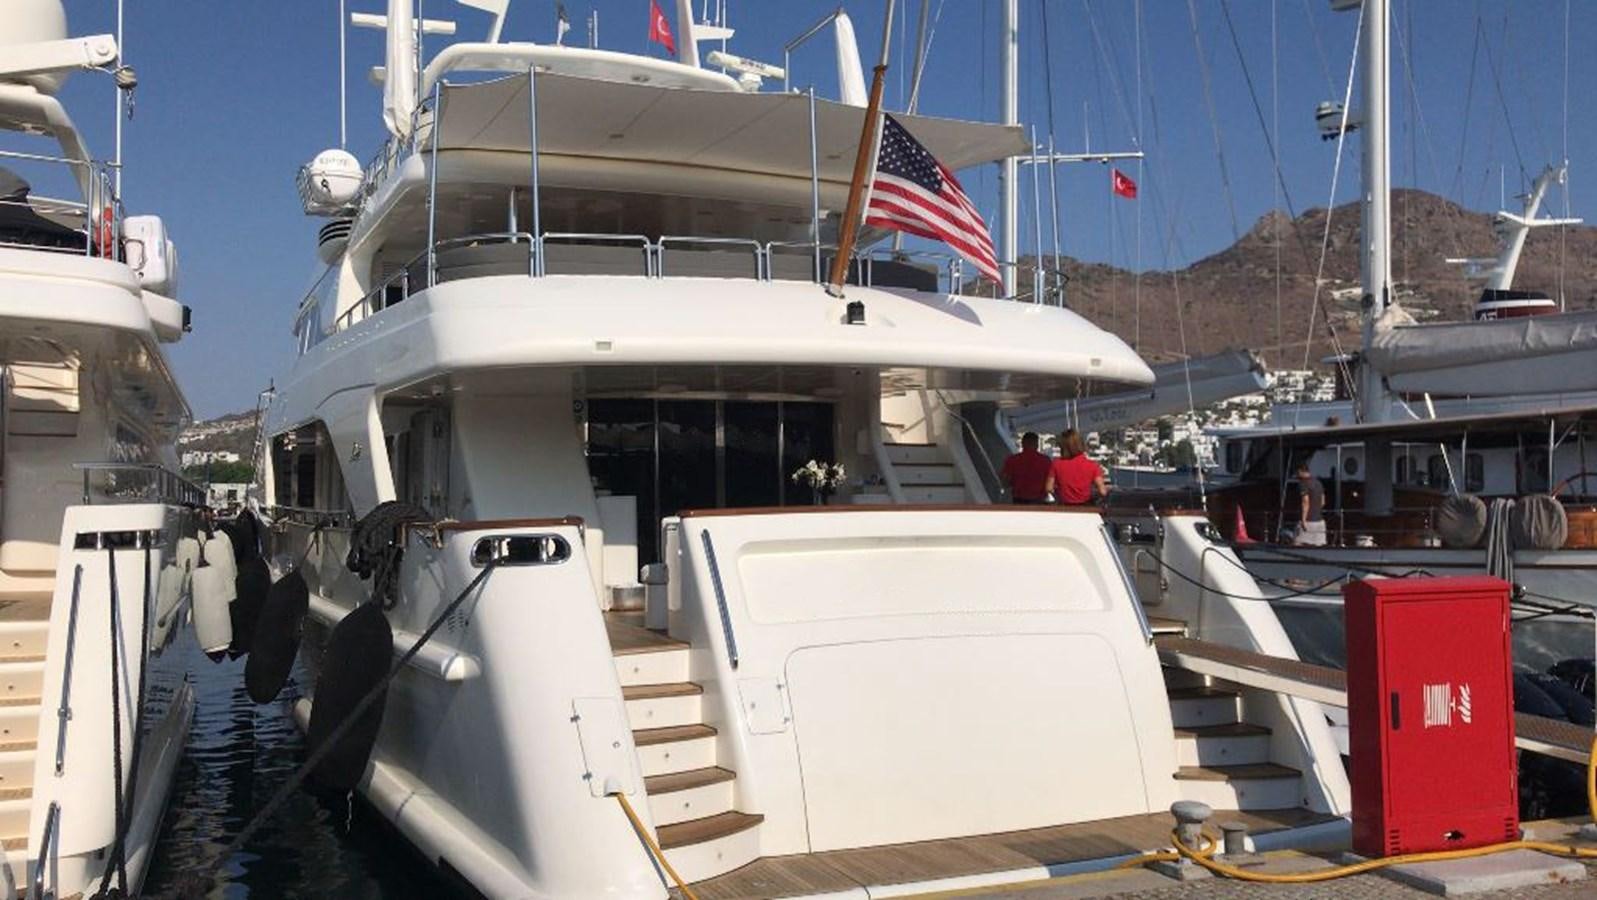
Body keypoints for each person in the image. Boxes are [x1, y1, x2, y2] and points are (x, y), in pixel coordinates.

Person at [1047, 429, 1108, 506]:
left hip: (1064, 507)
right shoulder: (1092, 465)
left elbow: (1049, 488)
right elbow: (1102, 491)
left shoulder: (1056, 464)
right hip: (1085, 507)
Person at [1000, 432, 1052, 504]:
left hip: (1018, 500)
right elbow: (1050, 484)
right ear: (1037, 444)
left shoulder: (1012, 460)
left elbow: (1005, 481)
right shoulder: (1045, 461)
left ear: (1022, 444)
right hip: (1039, 501)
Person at [1293, 463, 1327, 546]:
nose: (1297, 475)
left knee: (1298, 544)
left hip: (1308, 522)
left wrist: (1303, 520)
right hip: (1320, 521)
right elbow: (1323, 501)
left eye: (1297, 472)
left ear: (1300, 471)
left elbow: (1305, 502)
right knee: (1318, 547)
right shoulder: (1319, 483)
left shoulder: (1303, 484)